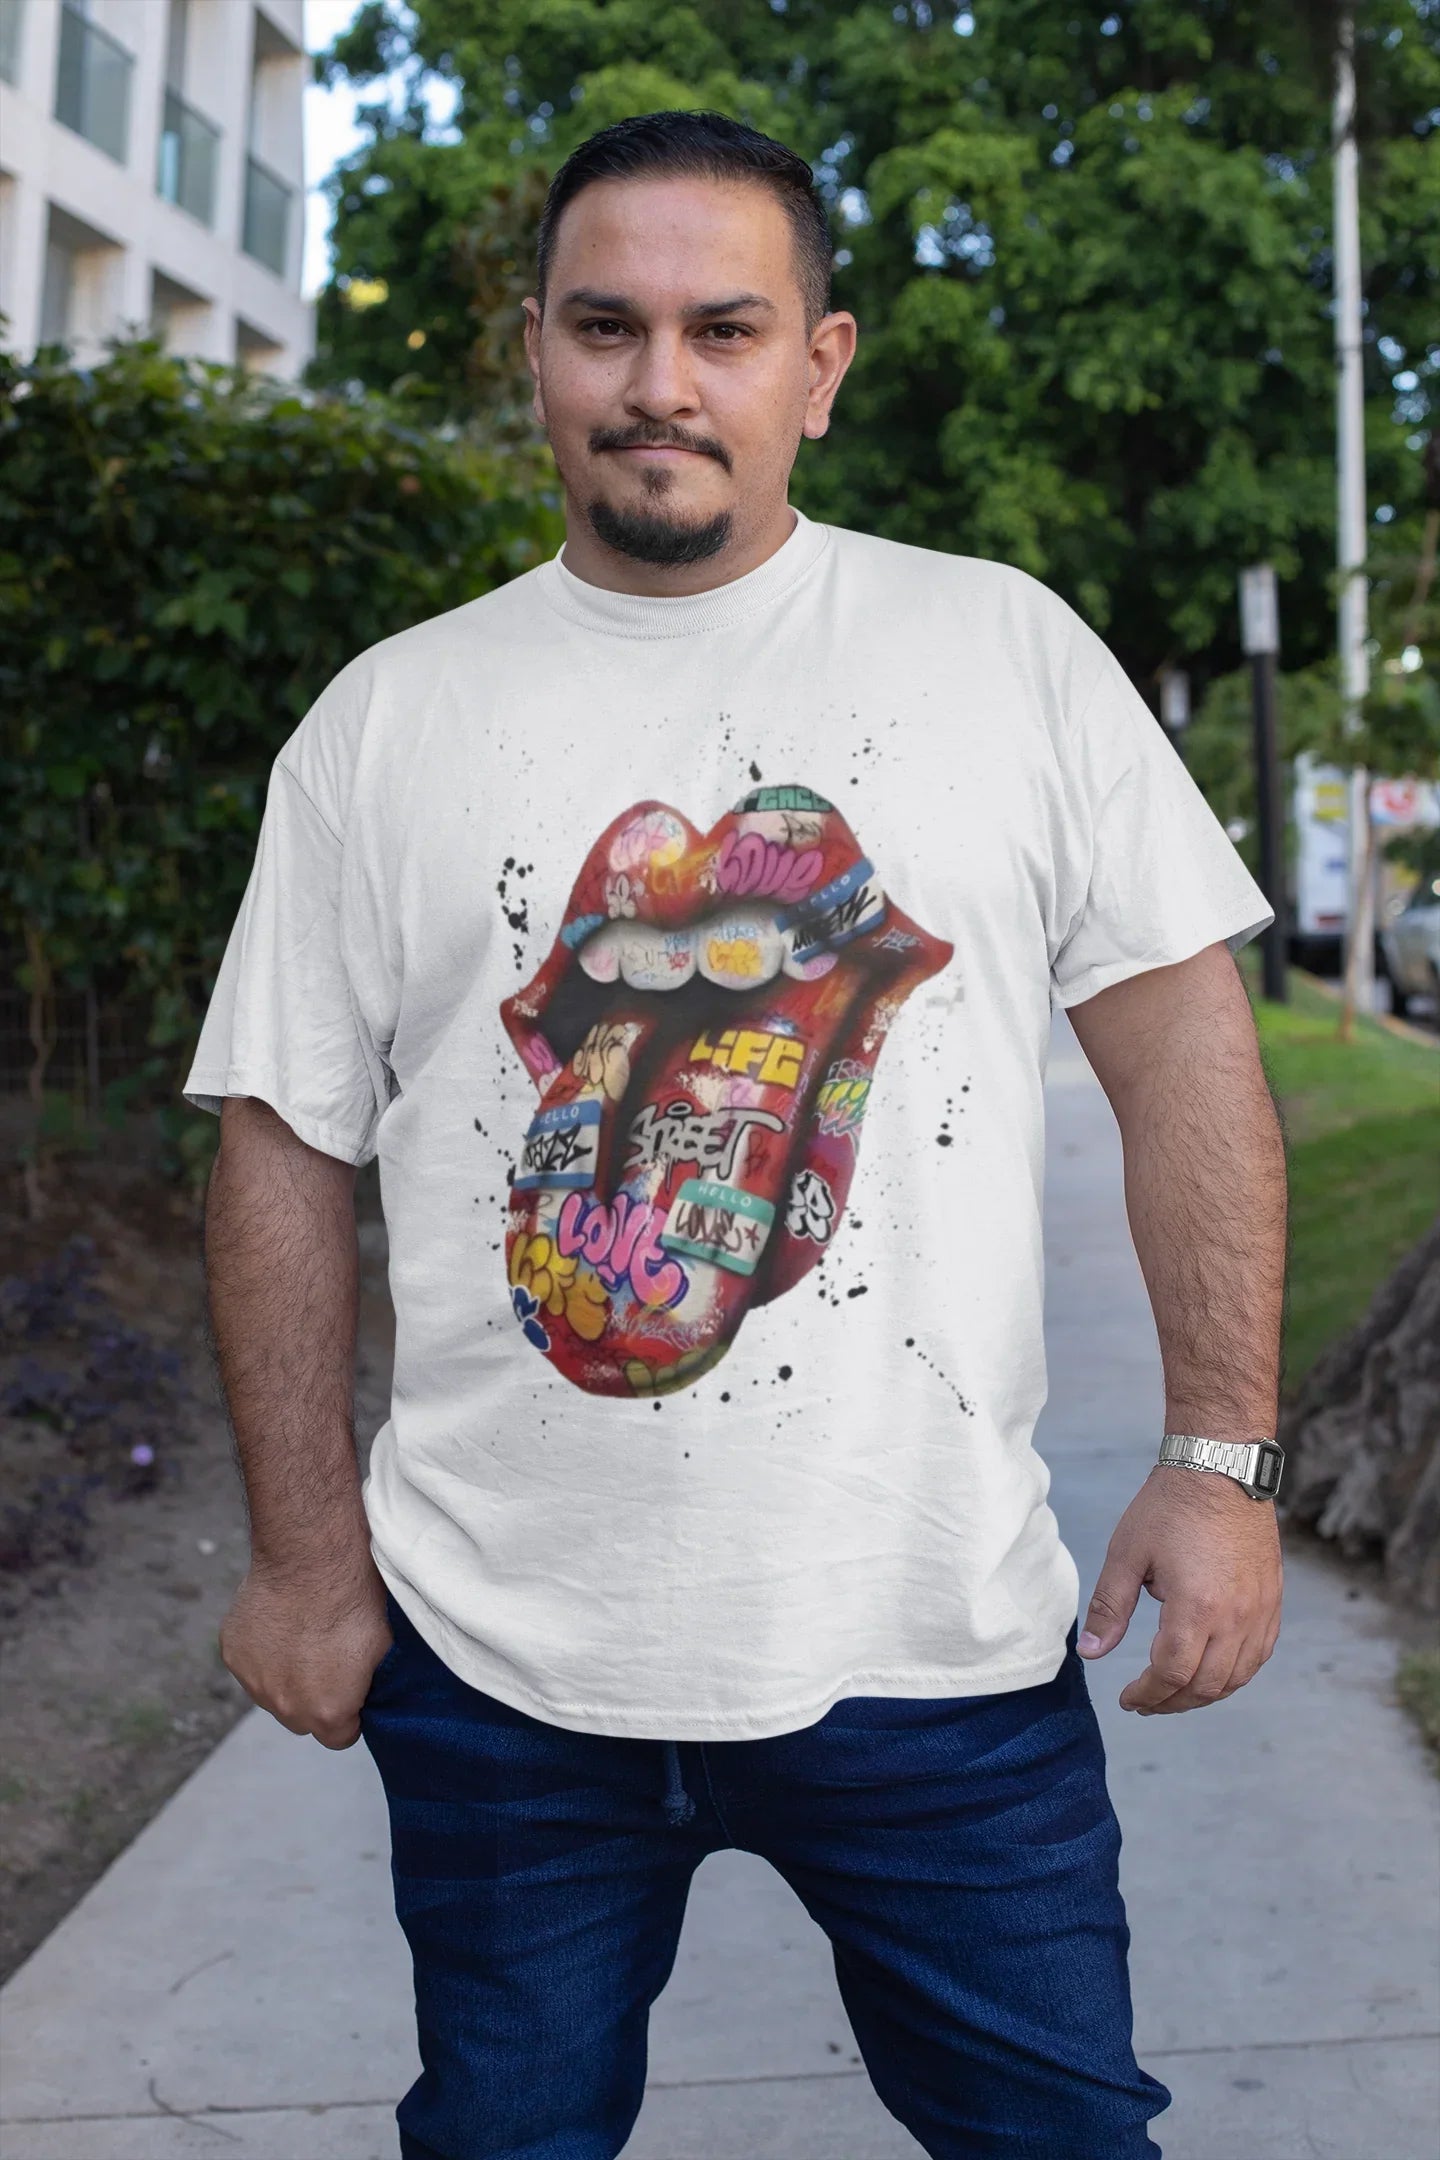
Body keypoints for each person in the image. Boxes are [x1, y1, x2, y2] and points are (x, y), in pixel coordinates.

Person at [186, 111, 1286, 2160]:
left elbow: (1186, 1062)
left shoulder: (1005, 653)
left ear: (821, 365)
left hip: (935, 1647)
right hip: (502, 1667)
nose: (660, 385)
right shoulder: (386, 721)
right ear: (535, 352)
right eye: (606, 326)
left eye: (724, 329)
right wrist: (305, 1557)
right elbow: (282, 1144)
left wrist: (1219, 1461)